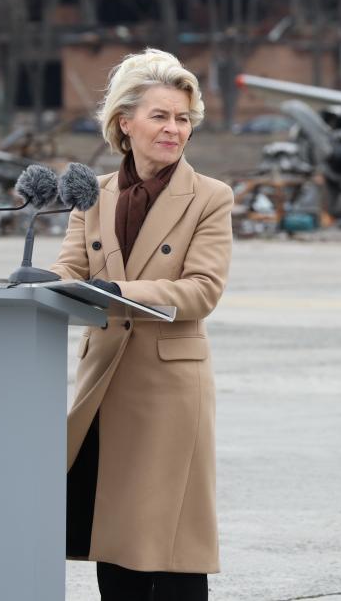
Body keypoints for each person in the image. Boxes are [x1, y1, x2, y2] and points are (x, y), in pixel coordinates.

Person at [50, 48, 233, 600]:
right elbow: (67, 270)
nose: (174, 129)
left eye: (182, 118)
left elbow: (203, 291)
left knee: (173, 547)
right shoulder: (93, 195)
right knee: (117, 539)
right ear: (124, 123)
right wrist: (32, 283)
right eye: (160, 116)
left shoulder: (210, 197)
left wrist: (116, 293)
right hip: (104, 382)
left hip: (168, 388)